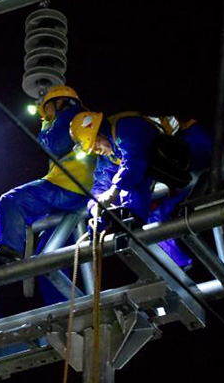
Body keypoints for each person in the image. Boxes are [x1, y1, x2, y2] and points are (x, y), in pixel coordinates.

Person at [71, 111, 212, 267]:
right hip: (176, 173)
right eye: (92, 149)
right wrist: (96, 211)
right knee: (154, 221)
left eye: (95, 143)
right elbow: (99, 186)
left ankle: (131, 217)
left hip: (193, 146)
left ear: (101, 131)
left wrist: (114, 192)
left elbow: (134, 161)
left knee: (135, 185)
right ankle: (177, 266)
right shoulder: (108, 155)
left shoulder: (127, 127)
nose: (96, 150)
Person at [0, 85, 96, 267]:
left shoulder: (69, 116)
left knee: (11, 201)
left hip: (66, 187)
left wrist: (45, 125)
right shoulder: (84, 118)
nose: (46, 113)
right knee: (48, 259)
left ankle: (8, 250)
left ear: (59, 103)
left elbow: (53, 145)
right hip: (81, 191)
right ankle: (60, 295)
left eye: (47, 108)